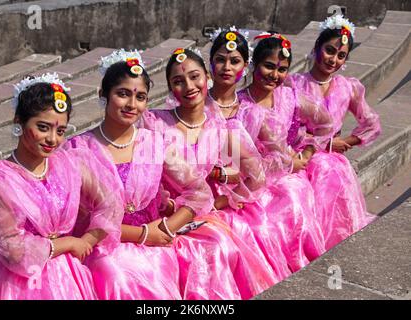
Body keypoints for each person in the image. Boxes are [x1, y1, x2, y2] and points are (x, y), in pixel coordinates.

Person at [65, 49, 274, 300]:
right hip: (104, 247)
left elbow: (198, 192)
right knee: (116, 275)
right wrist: (143, 234)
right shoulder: (78, 148)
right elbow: (81, 218)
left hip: (155, 241)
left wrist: (166, 227)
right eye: (123, 94)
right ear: (103, 95)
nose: (132, 104)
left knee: (216, 249)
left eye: (140, 96)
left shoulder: (153, 143)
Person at [0, 73, 123, 300]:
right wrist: (68, 242)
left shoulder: (69, 162)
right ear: (19, 122)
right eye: (43, 127)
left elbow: (111, 201)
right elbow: (13, 249)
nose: (52, 139)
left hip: (67, 275)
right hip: (15, 282)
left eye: (60, 131)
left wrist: (87, 241)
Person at [236, 31, 333, 272]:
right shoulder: (239, 103)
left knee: (294, 193)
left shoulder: (289, 96)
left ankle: (302, 264)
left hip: (288, 172)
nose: (275, 75)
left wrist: (307, 153)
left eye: (282, 69)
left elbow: (325, 124)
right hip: (251, 178)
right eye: (269, 66)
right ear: (254, 65)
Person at [287, 15, 381, 249]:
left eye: (341, 56)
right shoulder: (294, 84)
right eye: (330, 50)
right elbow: (287, 130)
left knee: (330, 175)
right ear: (317, 47)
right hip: (300, 156)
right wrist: (325, 144)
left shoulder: (348, 87)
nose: (333, 59)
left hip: (333, 162)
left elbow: (371, 123)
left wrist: (346, 141)